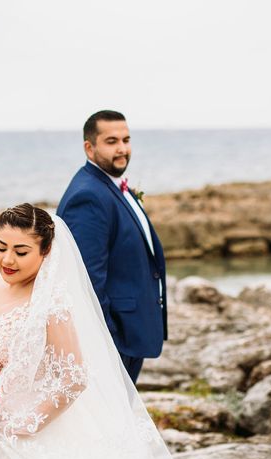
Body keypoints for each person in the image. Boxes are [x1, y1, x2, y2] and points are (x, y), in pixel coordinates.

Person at [0, 203, 183, 459]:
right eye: (1, 248)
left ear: (46, 251)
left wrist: (25, 424)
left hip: (20, 431)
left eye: (21, 252)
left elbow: (74, 378)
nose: (7, 260)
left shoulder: (51, 303)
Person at [57, 110, 168, 384]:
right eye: (111, 141)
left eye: (126, 139)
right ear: (89, 147)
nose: (122, 149)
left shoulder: (110, 185)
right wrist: (109, 340)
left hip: (129, 331)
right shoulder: (87, 196)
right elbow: (86, 280)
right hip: (115, 339)